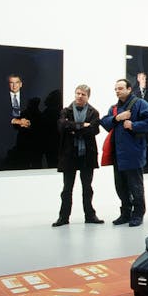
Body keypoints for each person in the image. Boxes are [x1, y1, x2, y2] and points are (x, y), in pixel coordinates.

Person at [100, 78, 148, 227]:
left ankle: (138, 214)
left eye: (120, 88)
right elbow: (105, 122)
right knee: (120, 186)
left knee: (135, 186)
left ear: (129, 89)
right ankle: (125, 213)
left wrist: (134, 125)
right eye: (116, 89)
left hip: (134, 152)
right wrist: (117, 118)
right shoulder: (114, 108)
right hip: (117, 154)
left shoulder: (140, 104)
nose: (117, 91)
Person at [53, 85, 102, 227]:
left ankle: (90, 216)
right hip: (69, 154)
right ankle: (63, 217)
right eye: (78, 93)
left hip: (87, 154)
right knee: (67, 189)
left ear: (88, 97)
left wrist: (73, 128)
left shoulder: (94, 112)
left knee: (87, 188)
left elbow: (94, 130)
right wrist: (82, 126)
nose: (79, 96)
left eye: (83, 94)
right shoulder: (66, 111)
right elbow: (62, 126)